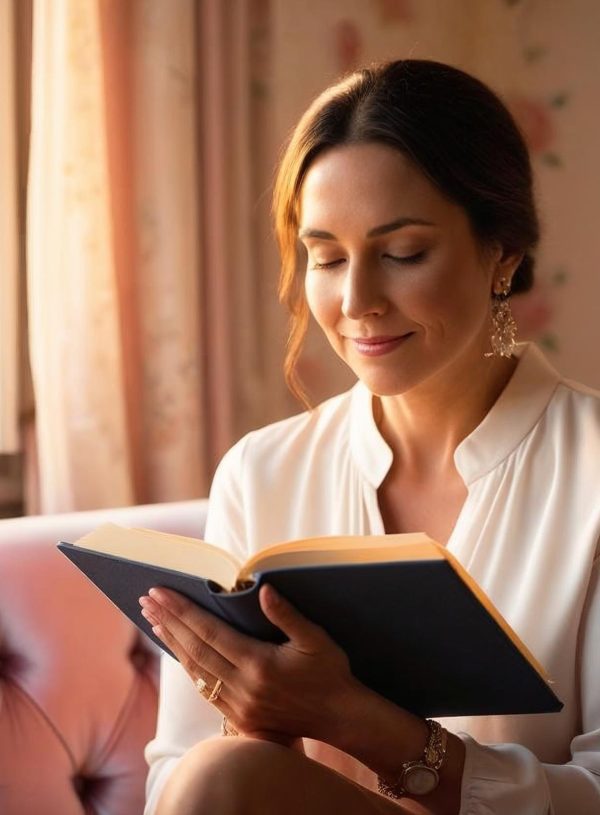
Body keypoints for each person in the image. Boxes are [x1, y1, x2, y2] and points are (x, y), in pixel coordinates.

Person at [141, 60, 600, 815]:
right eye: (326, 257)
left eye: (403, 253)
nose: (356, 301)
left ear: (504, 253)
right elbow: (177, 781)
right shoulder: (263, 472)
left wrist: (356, 721)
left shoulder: (586, 473)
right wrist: (262, 721)